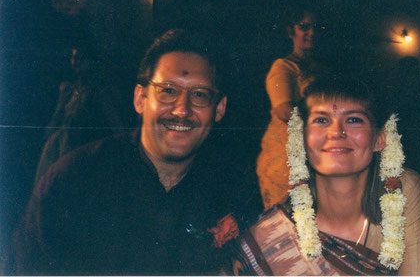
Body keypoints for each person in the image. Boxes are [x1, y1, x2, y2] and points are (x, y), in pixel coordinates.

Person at [4, 29, 259, 275]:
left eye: (200, 95)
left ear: (219, 108)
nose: (182, 110)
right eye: (168, 91)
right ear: (140, 98)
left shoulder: (234, 188)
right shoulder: (74, 178)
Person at [229, 74, 420, 275]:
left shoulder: (402, 190)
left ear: (379, 139)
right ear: (301, 139)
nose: (336, 132)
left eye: (354, 120)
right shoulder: (268, 237)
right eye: (321, 120)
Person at [257, 9, 325, 209]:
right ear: (291, 31)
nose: (311, 33)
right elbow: (285, 111)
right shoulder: (284, 67)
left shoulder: (322, 69)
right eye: (304, 27)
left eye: (316, 27)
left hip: (316, 155)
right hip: (286, 158)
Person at [35, 42, 132, 182]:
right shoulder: (68, 89)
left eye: (80, 58)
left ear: (90, 62)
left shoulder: (99, 91)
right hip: (63, 144)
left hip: (85, 146)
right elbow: (58, 116)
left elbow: (114, 120)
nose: (75, 62)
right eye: (73, 58)